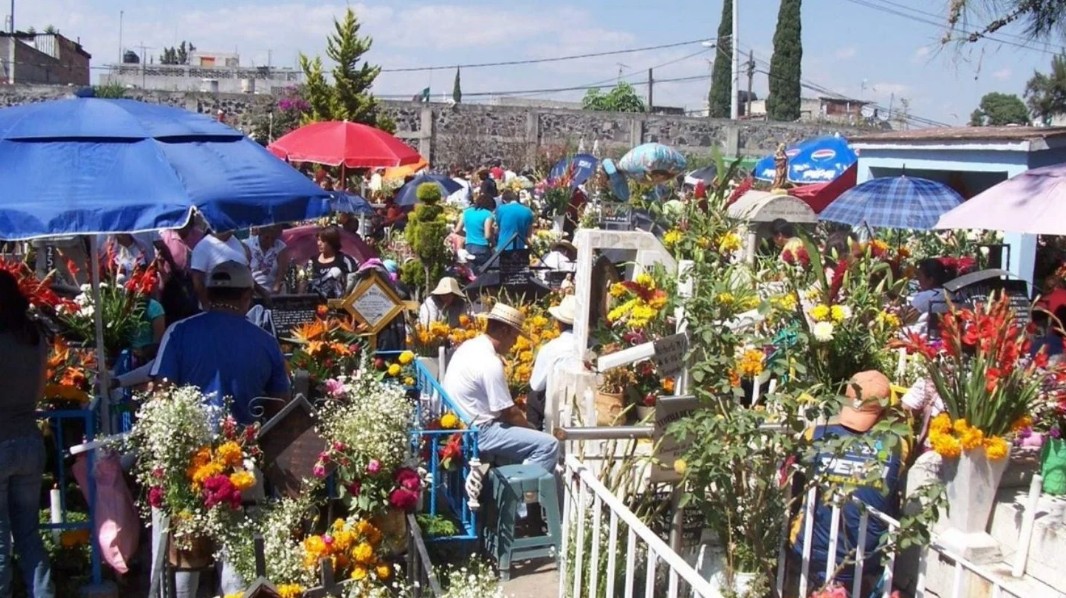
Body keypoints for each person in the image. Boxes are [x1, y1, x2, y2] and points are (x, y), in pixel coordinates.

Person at [790, 370, 905, 593]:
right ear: (884, 411)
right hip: (864, 561)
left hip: (808, 551)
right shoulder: (898, 445)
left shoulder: (814, 434)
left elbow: (795, 489)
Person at [442, 303, 560, 472]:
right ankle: (521, 486)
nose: (514, 343)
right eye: (514, 337)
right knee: (549, 445)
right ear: (504, 331)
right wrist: (532, 430)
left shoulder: (469, 346)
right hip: (479, 430)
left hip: (462, 422)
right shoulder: (489, 361)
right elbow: (509, 412)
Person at [0, 271, 55, 598]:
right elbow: (39, 391)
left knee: (0, 542)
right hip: (29, 439)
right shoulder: (33, 337)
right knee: (29, 535)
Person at [528, 296, 581, 431]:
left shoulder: (550, 348)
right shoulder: (592, 345)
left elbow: (536, 385)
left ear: (559, 323)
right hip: (584, 401)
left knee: (533, 396)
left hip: (557, 404)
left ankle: (535, 435)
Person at [189, 229, 250, 306]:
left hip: (240, 304)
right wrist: (206, 304)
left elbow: (247, 269)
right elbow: (197, 280)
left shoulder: (236, 242)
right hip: (217, 305)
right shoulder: (203, 247)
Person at [305, 226, 358, 300]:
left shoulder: (345, 260)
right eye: (318, 240)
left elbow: (355, 281)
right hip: (314, 303)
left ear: (332, 242)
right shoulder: (312, 261)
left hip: (338, 304)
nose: (319, 243)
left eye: (323, 241)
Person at [454, 192, 495, 270]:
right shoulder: (488, 214)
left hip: (468, 246)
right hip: (482, 247)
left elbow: (457, 230)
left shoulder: (467, 212)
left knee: (471, 270)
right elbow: (487, 235)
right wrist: (493, 243)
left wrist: (468, 234)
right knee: (487, 267)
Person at [247, 224, 288, 294]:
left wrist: (275, 289)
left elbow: (281, 273)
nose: (269, 241)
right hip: (252, 289)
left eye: (273, 238)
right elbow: (246, 272)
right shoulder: (248, 245)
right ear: (260, 233)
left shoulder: (281, 246)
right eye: (266, 237)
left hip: (272, 291)